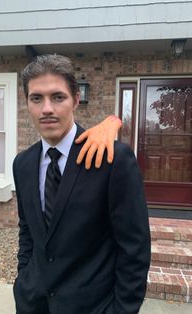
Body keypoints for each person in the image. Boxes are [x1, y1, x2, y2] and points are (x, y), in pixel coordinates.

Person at [13, 54, 151, 314]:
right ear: (27, 103)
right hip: (33, 304)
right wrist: (23, 281)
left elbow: (135, 250)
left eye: (58, 97)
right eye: (36, 98)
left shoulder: (113, 160)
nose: (47, 109)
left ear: (76, 99)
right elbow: (28, 232)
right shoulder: (22, 164)